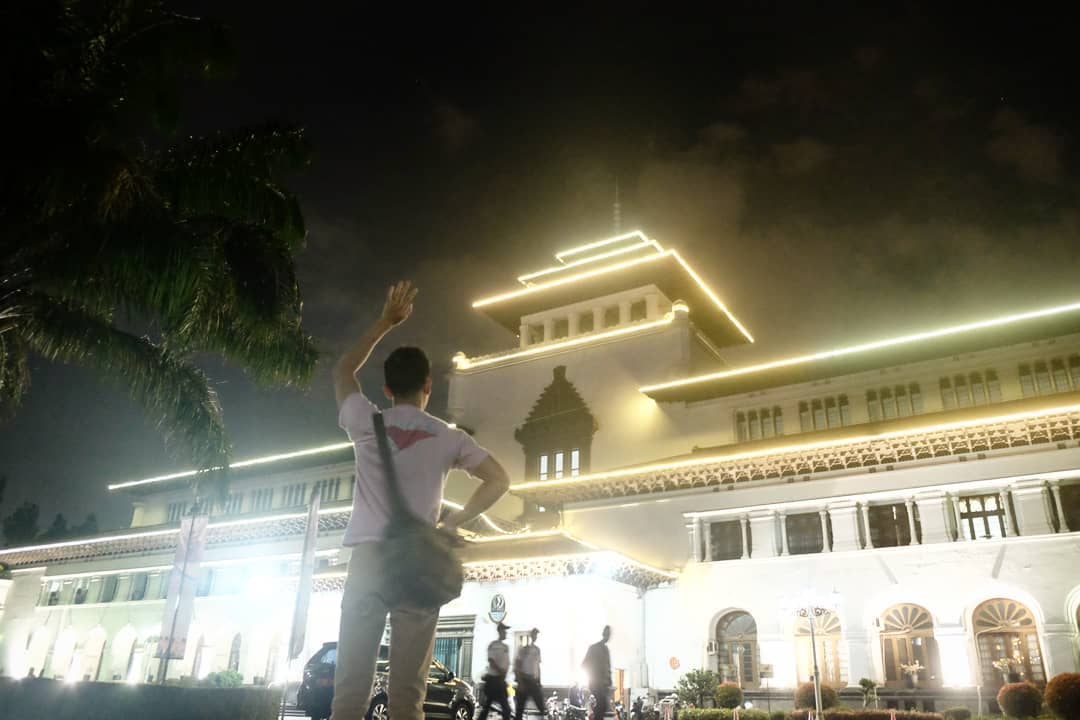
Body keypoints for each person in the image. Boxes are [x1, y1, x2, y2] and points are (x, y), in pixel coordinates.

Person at [330, 281, 512, 720]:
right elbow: (498, 479)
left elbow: (342, 372)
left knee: (350, 689)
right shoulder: (448, 437)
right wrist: (454, 523)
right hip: (419, 563)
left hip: (369, 558)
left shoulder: (366, 423)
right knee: (408, 695)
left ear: (388, 389)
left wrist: (384, 322)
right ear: (428, 385)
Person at [478, 622, 513, 720]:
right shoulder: (493, 645)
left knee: (503, 709)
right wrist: (500, 671)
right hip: (493, 680)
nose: (506, 633)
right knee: (488, 708)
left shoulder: (506, 647)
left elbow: (507, 663)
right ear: (500, 631)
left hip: (501, 680)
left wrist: (504, 674)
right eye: (504, 631)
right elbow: (491, 661)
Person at [582, 626, 613, 720]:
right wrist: (594, 675)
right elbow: (584, 664)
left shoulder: (605, 650)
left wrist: (609, 680)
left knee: (603, 706)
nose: (608, 636)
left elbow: (607, 667)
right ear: (603, 634)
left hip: (603, 684)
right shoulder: (594, 648)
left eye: (609, 634)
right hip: (596, 682)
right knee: (602, 704)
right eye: (607, 633)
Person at [514, 628, 545, 720]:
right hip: (524, 679)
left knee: (541, 706)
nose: (535, 637)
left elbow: (538, 666)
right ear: (531, 636)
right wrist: (520, 682)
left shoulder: (537, 650)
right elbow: (517, 666)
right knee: (519, 709)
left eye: (536, 635)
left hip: (533, 680)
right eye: (534, 634)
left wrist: (539, 681)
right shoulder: (523, 650)